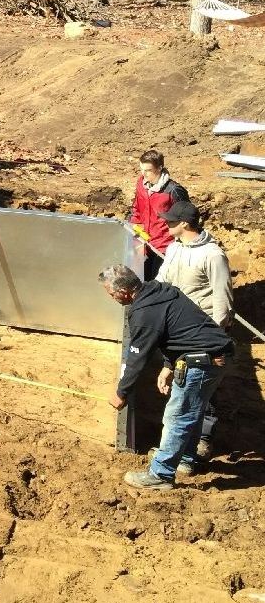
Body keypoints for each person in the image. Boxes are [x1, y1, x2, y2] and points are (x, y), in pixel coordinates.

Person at [101, 264, 232, 490]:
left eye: (111, 294)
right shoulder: (158, 291)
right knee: (192, 411)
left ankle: (161, 474)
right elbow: (180, 331)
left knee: (177, 416)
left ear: (123, 292)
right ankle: (185, 459)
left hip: (201, 362)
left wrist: (121, 392)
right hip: (215, 355)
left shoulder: (142, 312)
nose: (112, 298)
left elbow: (137, 358)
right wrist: (168, 365)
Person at [155, 200, 233, 457]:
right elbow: (162, 281)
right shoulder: (174, 248)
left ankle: (203, 439)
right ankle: (182, 449)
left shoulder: (213, 255)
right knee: (182, 388)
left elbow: (223, 302)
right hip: (178, 332)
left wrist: (212, 339)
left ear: (185, 224)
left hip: (202, 336)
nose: (165, 224)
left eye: (170, 221)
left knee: (201, 391)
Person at [128, 150, 189, 280]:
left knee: (160, 283)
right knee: (142, 280)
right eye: (141, 169)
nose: (143, 174)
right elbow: (137, 209)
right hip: (143, 242)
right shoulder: (141, 184)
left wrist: (180, 245)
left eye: (148, 170)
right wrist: (134, 228)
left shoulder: (174, 191)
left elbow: (186, 219)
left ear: (160, 168)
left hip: (165, 247)